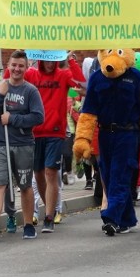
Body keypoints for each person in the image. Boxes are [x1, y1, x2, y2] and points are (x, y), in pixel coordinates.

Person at [74, 48, 140, 236]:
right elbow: (89, 111)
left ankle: (111, 217)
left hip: (128, 134)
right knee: (106, 176)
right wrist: (83, 138)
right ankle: (127, 220)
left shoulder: (136, 77)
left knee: (120, 176)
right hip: (105, 133)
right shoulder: (97, 78)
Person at [0, 50, 45, 242]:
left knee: (24, 185)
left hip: (23, 144)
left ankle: (28, 224)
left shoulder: (30, 91)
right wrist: (0, 95)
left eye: (21, 66)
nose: (16, 69)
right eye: (14, 65)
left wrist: (13, 119)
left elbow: (38, 117)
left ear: (25, 68)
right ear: (8, 65)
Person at [19, 52, 85, 232]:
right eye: (46, 59)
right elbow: (11, 78)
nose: (49, 63)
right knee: (38, 175)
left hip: (55, 132)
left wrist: (71, 60)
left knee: (50, 172)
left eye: (53, 60)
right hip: (35, 132)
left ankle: (48, 217)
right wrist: (20, 57)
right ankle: (50, 206)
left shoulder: (63, 75)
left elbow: (82, 85)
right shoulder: (32, 74)